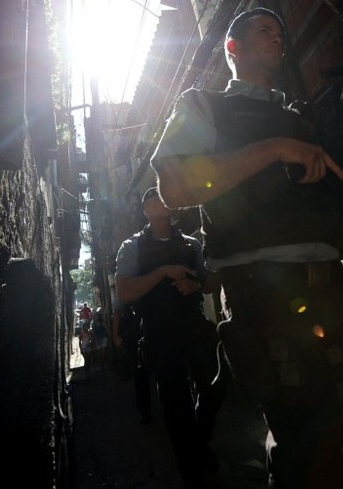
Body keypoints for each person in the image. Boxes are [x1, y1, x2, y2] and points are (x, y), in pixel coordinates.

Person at [151, 7, 343, 488]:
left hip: (336, 300)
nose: (277, 37)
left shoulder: (299, 123)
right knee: (309, 454)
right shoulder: (202, 105)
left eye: (280, 32)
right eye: (263, 30)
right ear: (232, 49)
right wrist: (274, 150)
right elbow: (177, 190)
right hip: (265, 308)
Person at [115, 186, 228, 488]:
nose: (157, 201)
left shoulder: (191, 245)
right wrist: (163, 271)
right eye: (150, 199)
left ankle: (199, 442)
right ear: (145, 211)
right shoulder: (132, 247)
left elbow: (210, 282)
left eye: (161, 197)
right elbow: (125, 292)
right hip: (158, 332)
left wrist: (195, 284)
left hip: (193, 325)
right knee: (175, 404)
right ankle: (191, 471)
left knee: (215, 384)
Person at [111, 296, 152, 423]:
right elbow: (117, 314)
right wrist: (116, 337)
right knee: (140, 374)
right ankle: (145, 412)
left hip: (150, 331)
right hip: (134, 337)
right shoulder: (124, 291)